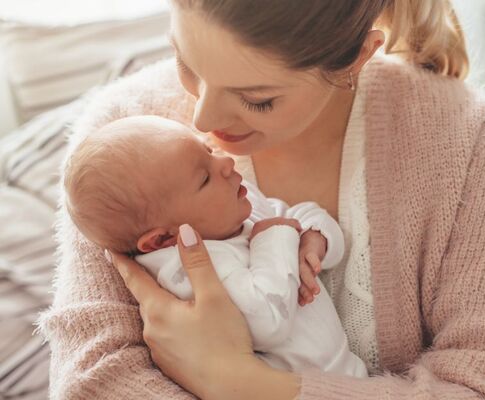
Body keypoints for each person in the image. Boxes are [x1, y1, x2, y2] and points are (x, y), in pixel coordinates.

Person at [39, 0, 485, 398]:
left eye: (257, 99)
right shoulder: (120, 139)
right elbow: (93, 378)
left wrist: (242, 384)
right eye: (186, 63)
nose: (203, 121)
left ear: (356, 58)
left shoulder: (472, 147)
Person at [61, 115, 367, 377]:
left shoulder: (236, 211)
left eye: (208, 150)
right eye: (204, 178)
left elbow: (300, 214)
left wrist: (315, 238)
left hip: (348, 374)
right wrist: (274, 237)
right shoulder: (186, 271)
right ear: (162, 239)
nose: (225, 162)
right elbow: (268, 322)